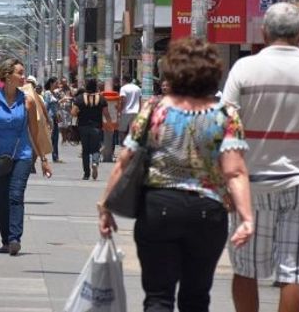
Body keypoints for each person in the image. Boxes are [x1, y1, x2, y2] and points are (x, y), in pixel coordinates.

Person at [98, 37, 254, 312]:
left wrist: (106, 206)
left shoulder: (155, 111)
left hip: (158, 207)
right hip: (208, 212)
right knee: (197, 297)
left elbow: (125, 161)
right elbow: (235, 172)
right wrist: (246, 218)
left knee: (158, 297)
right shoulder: (226, 115)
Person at [223, 2, 299, 312]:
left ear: (264, 33)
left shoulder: (244, 69)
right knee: (294, 272)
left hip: (251, 184)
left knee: (245, 268)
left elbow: (225, 128)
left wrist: (224, 182)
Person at [0, 59, 52, 255]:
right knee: (3, 198)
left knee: (16, 195)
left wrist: (43, 159)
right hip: (0, 155)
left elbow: (35, 133)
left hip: (23, 155)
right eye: (19, 72)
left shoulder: (28, 101)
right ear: (8, 76)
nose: (23, 76)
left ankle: (15, 238)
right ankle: (6, 240)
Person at [72, 78, 113, 180]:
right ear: (96, 87)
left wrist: (80, 113)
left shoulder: (80, 98)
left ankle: (86, 174)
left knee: (85, 150)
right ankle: (95, 162)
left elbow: (73, 112)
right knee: (95, 148)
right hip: (96, 127)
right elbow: (106, 113)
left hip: (83, 126)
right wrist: (110, 124)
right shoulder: (101, 99)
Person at [21, 75, 53, 170]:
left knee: (34, 143)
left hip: (34, 122)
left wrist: (48, 120)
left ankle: (32, 163)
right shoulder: (22, 93)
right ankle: (30, 164)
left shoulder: (36, 96)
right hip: (27, 123)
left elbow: (43, 108)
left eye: (31, 83)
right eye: (28, 83)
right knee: (33, 143)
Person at [119, 74, 142, 142]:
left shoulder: (123, 88)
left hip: (126, 111)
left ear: (124, 80)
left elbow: (123, 100)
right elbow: (140, 100)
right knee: (132, 130)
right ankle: (130, 146)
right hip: (136, 111)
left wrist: (120, 110)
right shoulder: (138, 88)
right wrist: (140, 111)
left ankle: (124, 145)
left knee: (121, 130)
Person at [43, 77, 61, 163]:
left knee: (55, 138)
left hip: (55, 117)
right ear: (51, 83)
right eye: (56, 83)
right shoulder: (47, 93)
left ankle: (55, 156)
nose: (57, 85)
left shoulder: (54, 93)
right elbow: (45, 106)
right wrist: (46, 119)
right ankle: (44, 155)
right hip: (50, 117)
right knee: (51, 137)